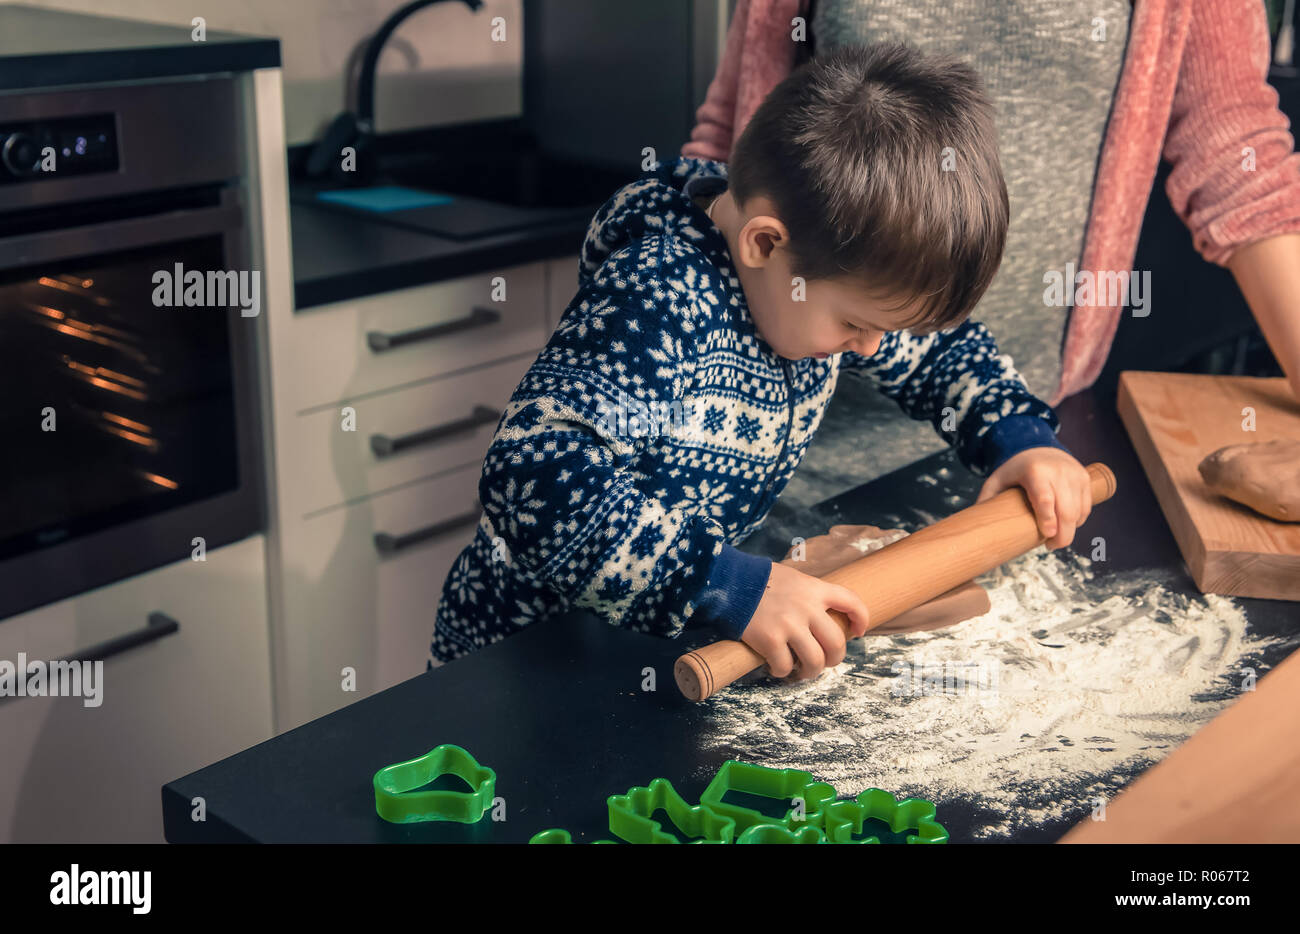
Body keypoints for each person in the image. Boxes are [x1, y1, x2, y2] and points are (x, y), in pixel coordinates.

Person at [431, 44, 1092, 680]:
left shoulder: (811, 270)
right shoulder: (660, 299)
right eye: (857, 324)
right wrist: (723, 586)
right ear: (764, 243)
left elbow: (939, 353)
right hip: (532, 658)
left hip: (649, 643)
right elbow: (539, 482)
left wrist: (1019, 440)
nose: (872, 346)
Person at [684, 0, 1300, 407]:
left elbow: (1237, 152)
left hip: (1011, 415)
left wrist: (1018, 432)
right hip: (764, 418)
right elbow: (731, 143)